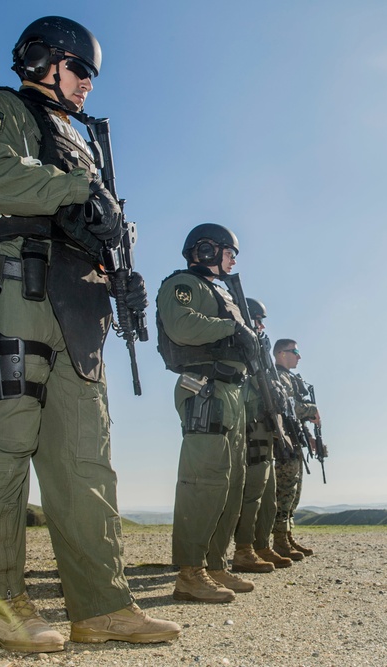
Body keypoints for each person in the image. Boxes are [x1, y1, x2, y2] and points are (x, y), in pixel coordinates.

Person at [0, 16, 179, 653]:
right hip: (15, 295)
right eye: (80, 71)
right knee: (8, 444)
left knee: (85, 463)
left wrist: (121, 278)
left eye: (92, 78)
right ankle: (6, 605)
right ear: (44, 60)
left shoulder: (79, 141)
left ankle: (101, 606)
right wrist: (84, 190)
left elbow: (91, 223)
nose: (86, 88)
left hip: (80, 309)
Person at [156, 223, 259, 602]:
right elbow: (181, 325)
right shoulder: (185, 284)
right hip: (205, 388)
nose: (233, 259)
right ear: (206, 251)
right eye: (229, 251)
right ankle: (190, 570)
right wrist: (233, 328)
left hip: (231, 391)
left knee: (230, 482)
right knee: (204, 480)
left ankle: (215, 564)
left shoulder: (221, 292)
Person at [231, 298, 293, 572]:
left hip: (264, 426)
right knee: (252, 491)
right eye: (258, 320)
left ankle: (260, 545)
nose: (262, 325)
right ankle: (243, 550)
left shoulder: (258, 351)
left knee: (266, 493)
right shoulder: (240, 347)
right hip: (249, 426)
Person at [272, 338, 321, 558]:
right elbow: (288, 406)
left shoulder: (289, 377)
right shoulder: (278, 376)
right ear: (282, 353)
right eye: (295, 351)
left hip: (294, 441)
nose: (299, 356)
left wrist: (309, 437)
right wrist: (312, 409)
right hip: (282, 444)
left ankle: (287, 536)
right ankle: (280, 540)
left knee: (293, 492)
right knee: (284, 492)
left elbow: (296, 417)